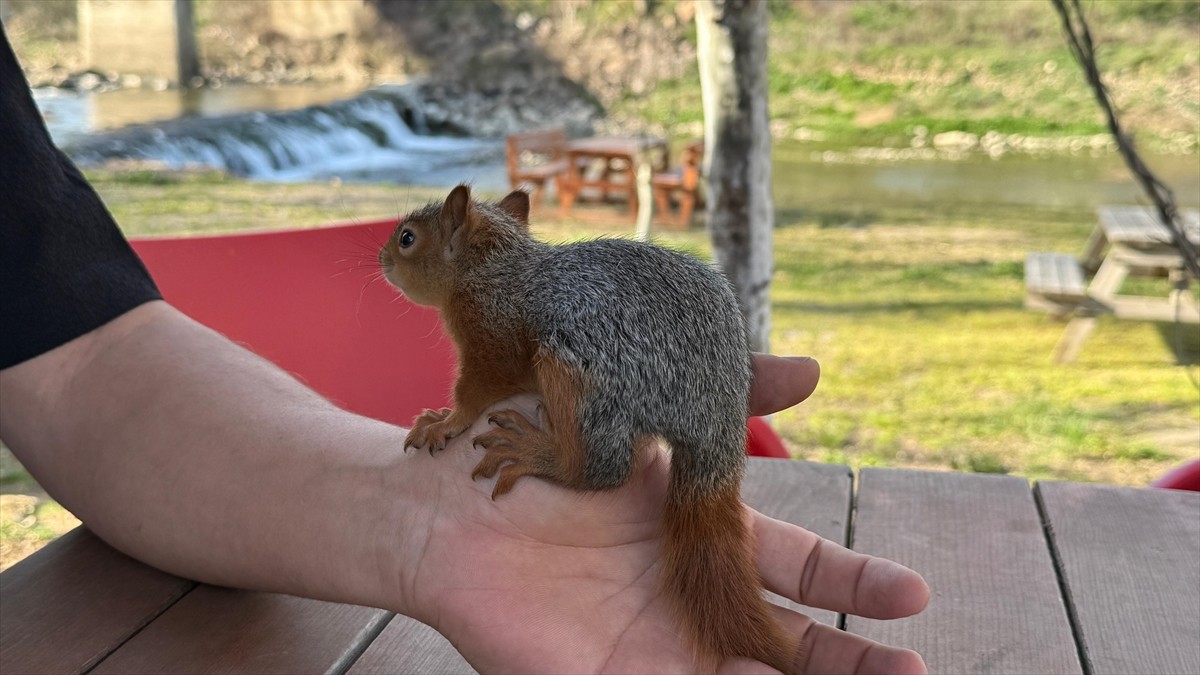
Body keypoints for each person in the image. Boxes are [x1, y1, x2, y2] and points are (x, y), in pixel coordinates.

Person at [0, 26, 928, 674]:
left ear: (459, 235)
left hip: (641, 394)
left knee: (571, 366)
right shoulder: (510, 279)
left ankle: (582, 463)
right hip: (664, 367)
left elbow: (77, 355)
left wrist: (442, 468)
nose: (389, 260)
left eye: (407, 242)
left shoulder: (489, 298)